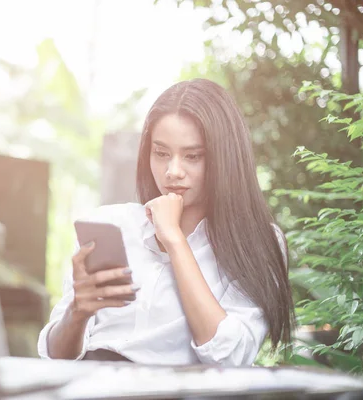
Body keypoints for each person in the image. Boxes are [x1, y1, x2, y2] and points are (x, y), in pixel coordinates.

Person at [37, 79, 294, 366]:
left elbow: (229, 357)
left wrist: (174, 239)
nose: (173, 171)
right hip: (93, 383)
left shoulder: (255, 243)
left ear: (225, 159)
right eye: (161, 153)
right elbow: (57, 358)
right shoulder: (109, 224)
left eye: (193, 156)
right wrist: (77, 313)